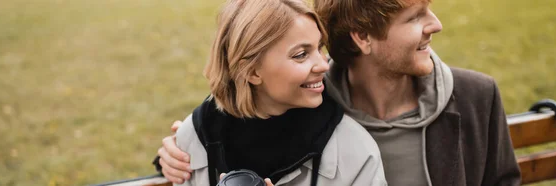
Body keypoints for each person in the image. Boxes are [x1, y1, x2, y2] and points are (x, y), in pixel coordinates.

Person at [158, 0, 522, 185]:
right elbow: (236, 119)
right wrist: (174, 153)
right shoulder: (307, 100)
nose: (437, 24)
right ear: (362, 37)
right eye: (414, 17)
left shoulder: (477, 96)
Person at [156, 0, 387, 185]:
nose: (324, 65)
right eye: (300, 55)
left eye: (319, 47)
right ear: (252, 71)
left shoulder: (356, 152)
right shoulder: (192, 141)